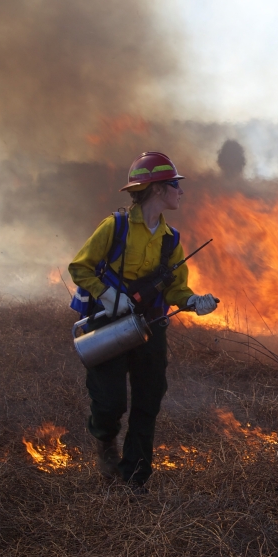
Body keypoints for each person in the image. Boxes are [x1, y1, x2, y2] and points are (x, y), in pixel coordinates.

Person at [68, 152, 220, 489]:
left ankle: (135, 477)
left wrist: (194, 301)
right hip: (109, 324)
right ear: (157, 189)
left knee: (148, 401)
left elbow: (176, 288)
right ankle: (104, 438)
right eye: (175, 185)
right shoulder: (115, 227)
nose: (181, 191)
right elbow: (79, 267)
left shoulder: (171, 239)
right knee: (110, 402)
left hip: (150, 327)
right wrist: (109, 295)